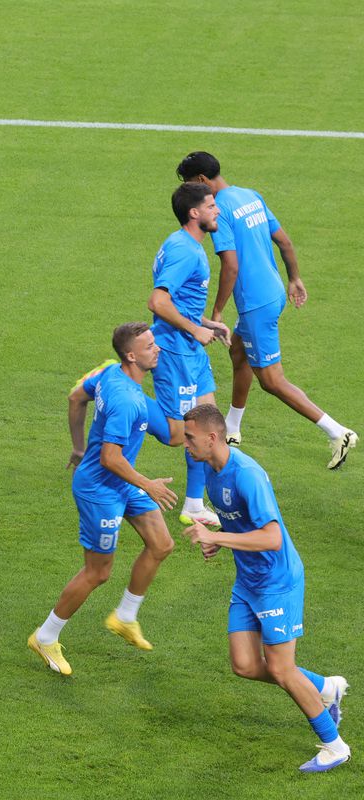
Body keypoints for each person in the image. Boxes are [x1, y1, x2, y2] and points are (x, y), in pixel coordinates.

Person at [181, 403, 350, 772]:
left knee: (282, 669)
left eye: (190, 437)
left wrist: (217, 537)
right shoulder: (208, 467)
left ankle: (334, 746)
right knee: (244, 665)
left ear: (213, 437)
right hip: (248, 581)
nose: (185, 443)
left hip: (277, 582)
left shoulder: (247, 475)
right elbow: (239, 524)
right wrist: (218, 537)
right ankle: (326, 687)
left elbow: (272, 538)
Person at [176, 152, 356, 469]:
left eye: (191, 184)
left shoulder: (219, 211)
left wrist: (216, 313)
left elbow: (230, 265)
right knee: (238, 353)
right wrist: (295, 278)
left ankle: (337, 432)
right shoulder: (249, 195)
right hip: (273, 291)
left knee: (272, 381)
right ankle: (232, 427)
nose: (191, 192)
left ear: (202, 180)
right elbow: (284, 242)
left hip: (256, 304)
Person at [29, 323, 178, 676]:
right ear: (131, 356)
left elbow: (75, 397)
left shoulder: (109, 372)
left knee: (161, 543)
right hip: (101, 490)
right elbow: (111, 458)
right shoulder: (127, 401)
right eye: (149, 346)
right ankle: (45, 636)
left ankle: (125, 616)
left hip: (121, 481)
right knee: (98, 572)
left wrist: (79, 447)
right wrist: (148, 485)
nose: (157, 348)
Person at [147, 181, 231, 527]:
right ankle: (120, 392)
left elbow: (180, 303)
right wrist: (195, 330)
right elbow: (158, 301)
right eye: (211, 206)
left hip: (192, 351)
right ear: (194, 213)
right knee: (177, 434)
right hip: (175, 352)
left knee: (209, 427)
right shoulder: (185, 251)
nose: (218, 210)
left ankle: (194, 505)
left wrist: (207, 324)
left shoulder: (183, 243)